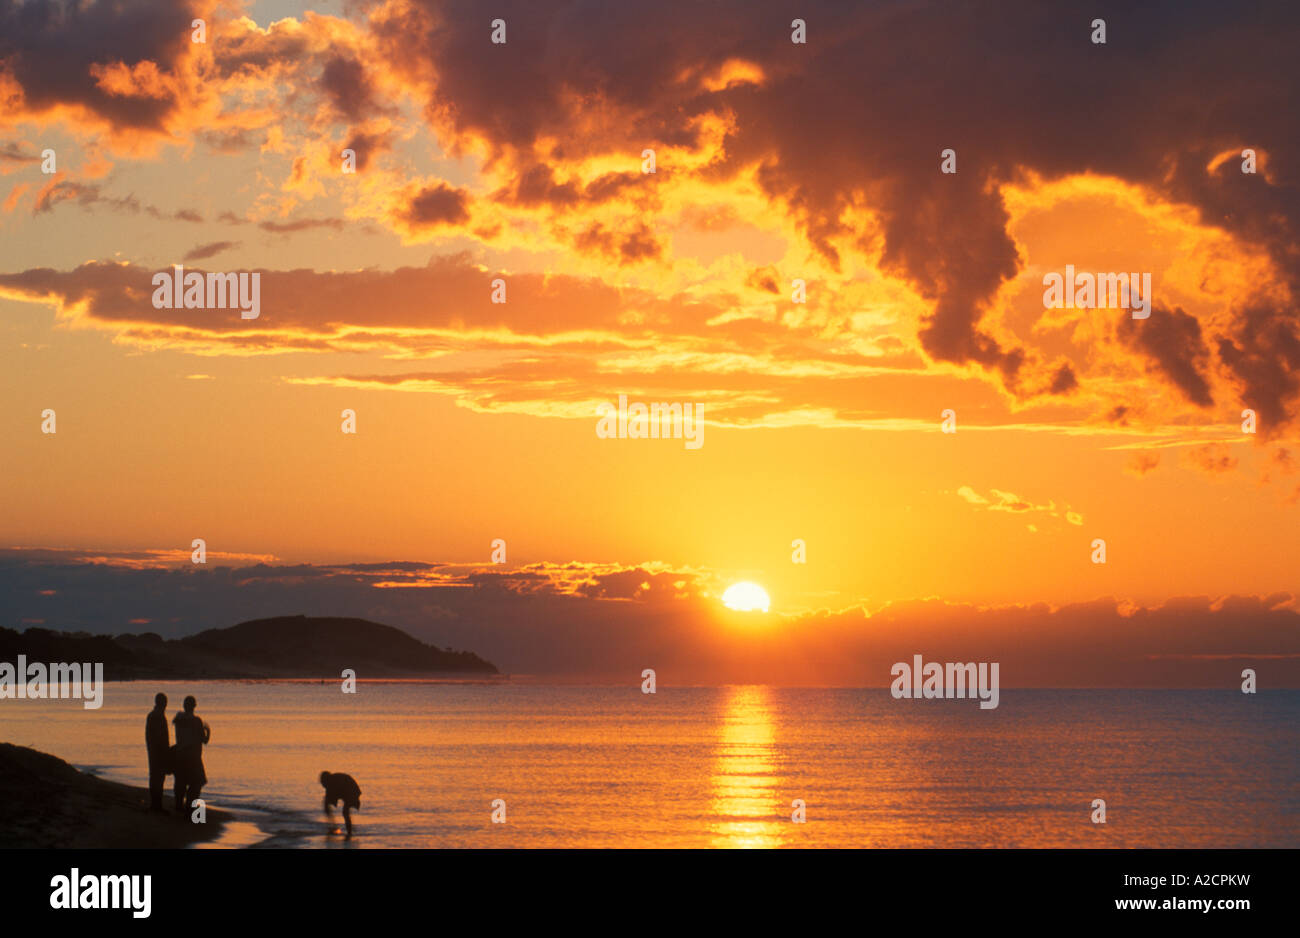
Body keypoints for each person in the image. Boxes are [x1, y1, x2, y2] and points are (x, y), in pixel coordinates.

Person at [171, 696, 210, 815]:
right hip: (193, 757)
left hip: (180, 755)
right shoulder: (196, 721)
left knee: (180, 782)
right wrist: (208, 730)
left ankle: (179, 805)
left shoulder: (178, 719)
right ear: (194, 706)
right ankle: (189, 806)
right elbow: (204, 740)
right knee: (197, 783)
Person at [145, 693, 171, 812]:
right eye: (164, 702)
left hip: (154, 750)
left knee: (155, 777)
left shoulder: (154, 715)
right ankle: (156, 805)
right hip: (158, 751)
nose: (165, 705)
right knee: (158, 778)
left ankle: (155, 804)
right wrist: (165, 751)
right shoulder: (157, 716)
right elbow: (159, 736)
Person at [320, 771, 362, 838]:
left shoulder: (332, 782)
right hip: (344, 791)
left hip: (352, 790)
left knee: (345, 812)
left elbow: (332, 794)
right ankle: (333, 826)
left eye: (323, 783)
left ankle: (349, 833)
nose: (323, 785)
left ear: (326, 780)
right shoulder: (330, 782)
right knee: (326, 805)